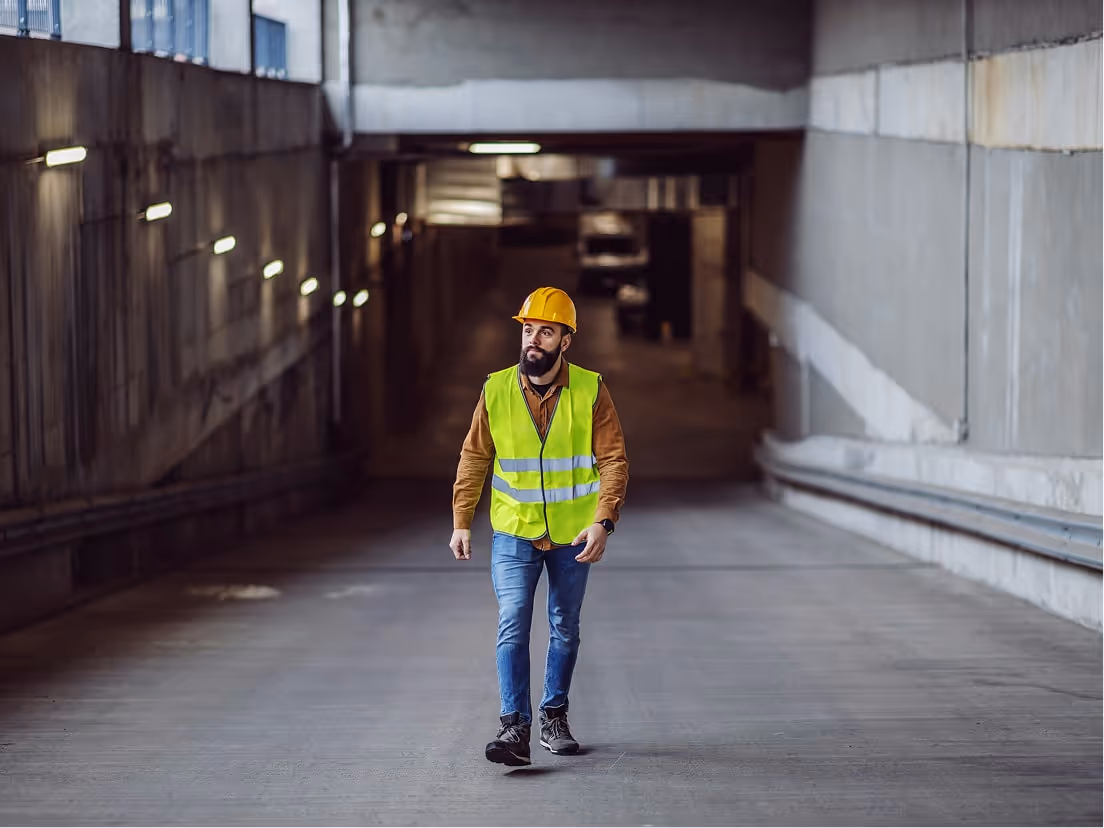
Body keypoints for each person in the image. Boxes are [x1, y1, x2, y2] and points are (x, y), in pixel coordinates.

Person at [449, 286, 630, 767]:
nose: (533, 339)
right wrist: (462, 520)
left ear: (565, 341)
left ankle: (554, 715)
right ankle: (515, 727)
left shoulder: (591, 389)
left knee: (564, 627)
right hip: (514, 529)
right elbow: (475, 457)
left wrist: (603, 521)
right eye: (528, 329)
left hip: (573, 534)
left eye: (545, 331)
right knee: (513, 622)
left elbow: (612, 460)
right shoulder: (496, 389)